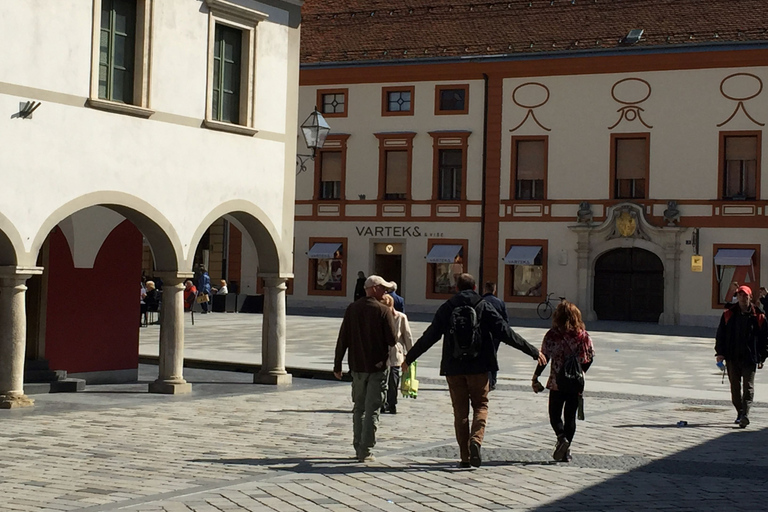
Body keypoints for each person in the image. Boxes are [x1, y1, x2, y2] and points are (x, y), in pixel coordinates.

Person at [403, 273, 546, 468]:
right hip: (479, 366)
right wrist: (532, 351)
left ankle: (464, 456)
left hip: (454, 368)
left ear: (456, 288)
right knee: (481, 405)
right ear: (475, 287)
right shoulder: (483, 305)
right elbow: (505, 332)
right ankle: (476, 441)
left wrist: (409, 359)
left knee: (460, 413)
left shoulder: (447, 307)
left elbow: (429, 336)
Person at [334, 275, 397, 462]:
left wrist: (337, 364)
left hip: (357, 367)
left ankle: (357, 446)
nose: (385, 291)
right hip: (377, 367)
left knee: (359, 408)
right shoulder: (383, 310)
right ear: (375, 288)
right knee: (372, 409)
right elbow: (392, 340)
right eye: (383, 288)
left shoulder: (352, 309)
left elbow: (342, 339)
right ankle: (366, 450)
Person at [531, 301, 594, 462]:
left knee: (554, 415)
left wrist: (536, 376)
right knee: (570, 417)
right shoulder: (583, 335)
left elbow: (544, 358)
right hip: (575, 383)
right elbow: (590, 357)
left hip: (557, 382)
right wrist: (581, 371)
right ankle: (566, 451)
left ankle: (561, 438)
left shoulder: (552, 334)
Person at [715, 285, 768, 428]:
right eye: (740, 295)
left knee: (748, 387)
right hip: (732, 356)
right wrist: (720, 353)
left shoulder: (758, 315)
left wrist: (762, 357)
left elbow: (764, 339)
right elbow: (721, 335)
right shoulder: (729, 314)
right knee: (734, 387)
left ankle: (745, 414)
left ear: (750, 297)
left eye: (745, 296)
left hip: (750, 358)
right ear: (736, 297)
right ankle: (739, 412)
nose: (742, 298)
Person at [379, 293, 413, 414]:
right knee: (381, 380)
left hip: (396, 353)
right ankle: (381, 403)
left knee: (393, 379)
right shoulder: (379, 316)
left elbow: (407, 336)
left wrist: (411, 354)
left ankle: (392, 403)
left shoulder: (401, 317)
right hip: (381, 353)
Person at [482, 282, 508, 391]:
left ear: (485, 289)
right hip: (496, 335)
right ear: (494, 290)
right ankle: (493, 381)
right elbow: (505, 320)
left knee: (483, 356)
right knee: (493, 355)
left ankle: (486, 380)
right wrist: (506, 336)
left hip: (483, 334)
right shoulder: (500, 303)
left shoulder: (480, 301)